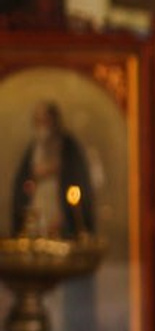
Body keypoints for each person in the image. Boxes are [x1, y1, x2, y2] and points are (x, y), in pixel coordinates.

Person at [12, 102, 97, 238]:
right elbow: (25, 177)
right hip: (39, 198)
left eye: (45, 120)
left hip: (58, 198)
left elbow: (74, 174)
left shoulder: (67, 145)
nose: (42, 125)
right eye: (38, 120)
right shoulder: (34, 147)